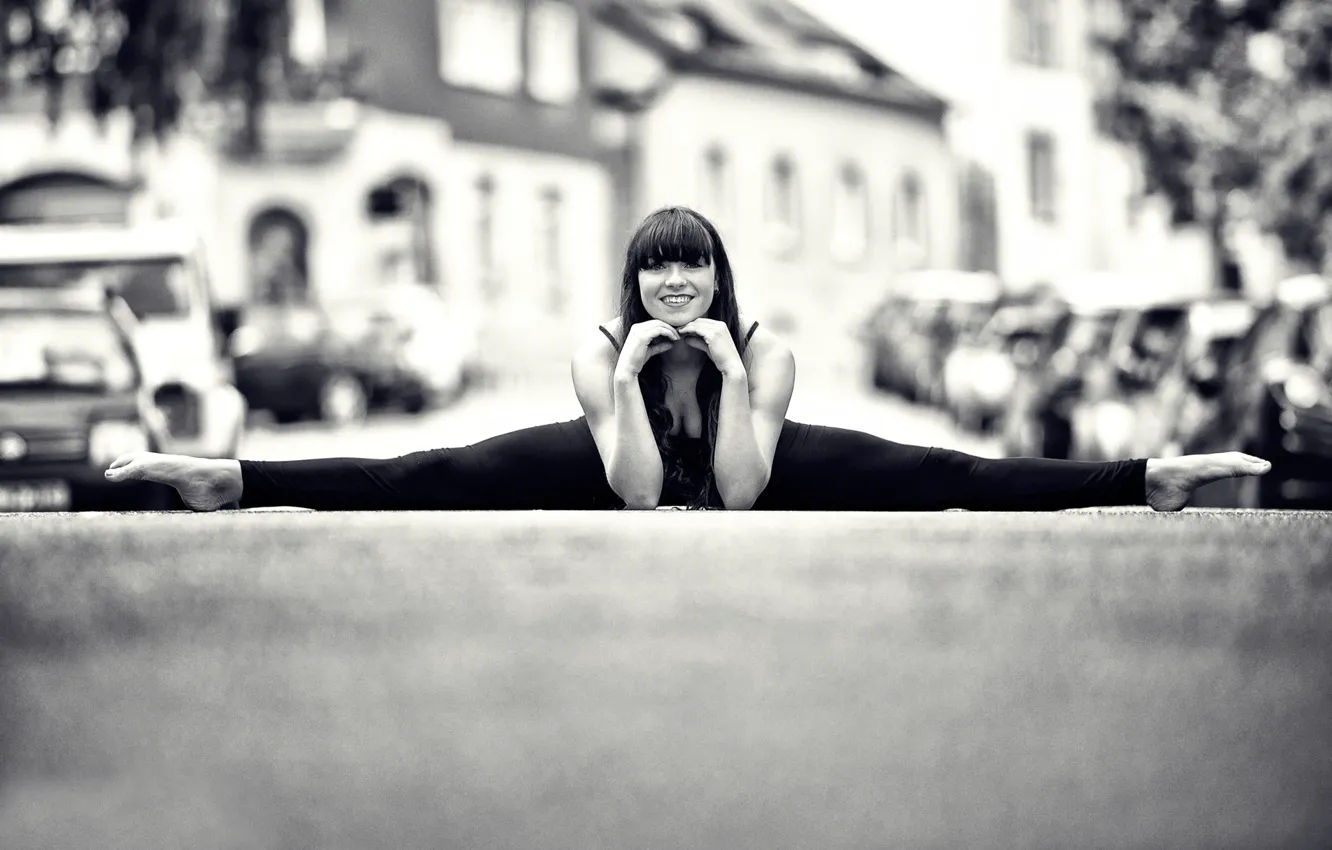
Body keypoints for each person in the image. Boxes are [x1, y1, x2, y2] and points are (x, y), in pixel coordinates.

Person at [105, 206, 1271, 513]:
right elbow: (640, 496)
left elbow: (745, 495)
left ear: (717, 278)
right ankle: (230, 480)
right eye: (658, 268)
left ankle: (1147, 479)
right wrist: (622, 388)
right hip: (620, 454)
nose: (674, 283)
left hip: (760, 451)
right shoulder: (596, 349)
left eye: (693, 267)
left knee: (939, 469)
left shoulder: (767, 348)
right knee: (424, 470)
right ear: (636, 278)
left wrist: (725, 371)